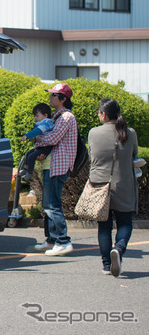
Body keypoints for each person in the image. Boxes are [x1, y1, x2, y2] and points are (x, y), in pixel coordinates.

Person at [88, 98, 138, 277]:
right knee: (125, 223)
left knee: (104, 226)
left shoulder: (94, 133)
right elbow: (134, 155)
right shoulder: (129, 133)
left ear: (103, 114)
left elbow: (92, 157)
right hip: (123, 184)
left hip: (100, 186)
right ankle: (119, 248)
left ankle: (106, 265)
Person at [32, 83, 77, 256]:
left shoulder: (66, 117)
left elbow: (52, 137)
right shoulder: (58, 117)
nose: (50, 98)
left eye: (53, 95)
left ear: (63, 99)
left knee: (52, 205)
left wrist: (37, 137)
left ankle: (63, 241)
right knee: (48, 204)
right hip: (52, 164)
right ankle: (51, 239)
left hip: (57, 165)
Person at [19, 103, 54, 181]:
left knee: (32, 156)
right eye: (34, 116)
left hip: (45, 148)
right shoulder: (44, 122)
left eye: (37, 116)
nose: (35, 118)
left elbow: (37, 131)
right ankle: (26, 169)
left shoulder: (46, 123)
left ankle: (30, 172)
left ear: (45, 115)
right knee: (28, 154)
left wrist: (26, 136)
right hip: (40, 146)